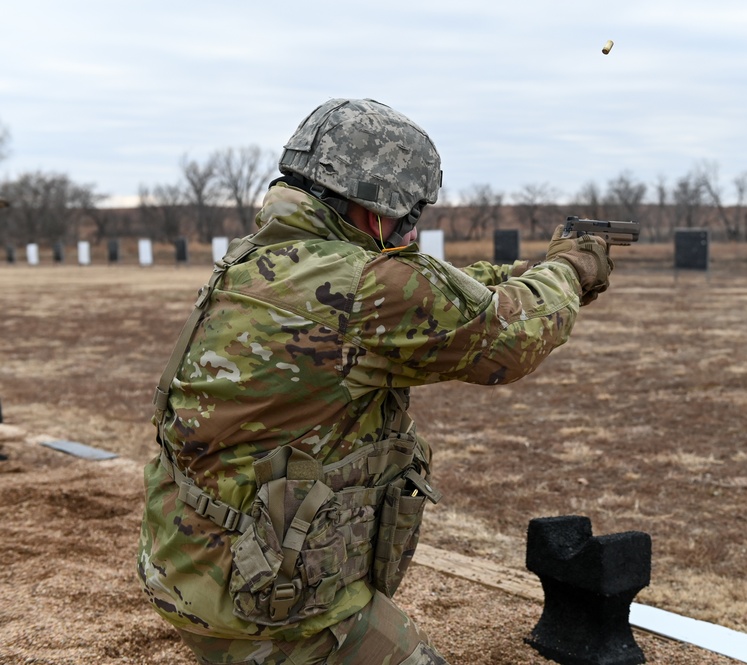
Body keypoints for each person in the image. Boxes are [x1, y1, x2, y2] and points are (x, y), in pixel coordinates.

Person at [138, 97, 613, 664]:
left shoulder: (262, 261)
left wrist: (521, 272)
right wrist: (570, 270)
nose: (413, 232)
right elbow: (509, 339)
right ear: (375, 214)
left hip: (190, 571)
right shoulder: (368, 286)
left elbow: (432, 293)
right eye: (411, 216)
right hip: (269, 608)